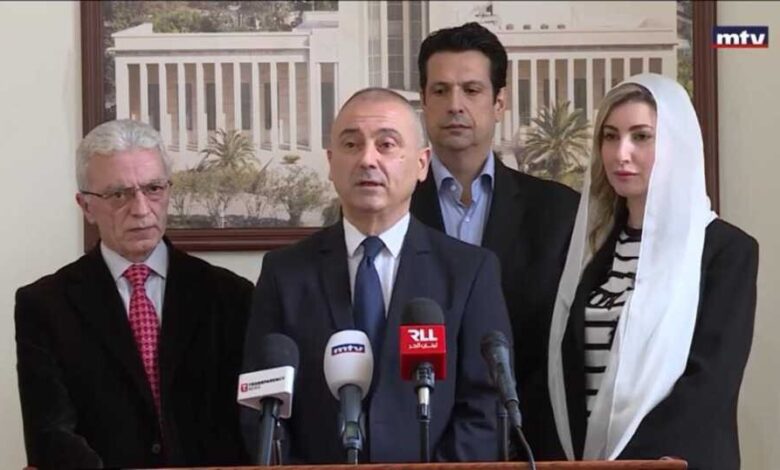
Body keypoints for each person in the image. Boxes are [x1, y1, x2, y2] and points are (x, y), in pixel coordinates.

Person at [242, 88, 513, 464]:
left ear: (422, 164)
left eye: (386, 144)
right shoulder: (284, 273)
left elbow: (485, 410)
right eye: (351, 145)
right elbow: (261, 409)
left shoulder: (469, 272)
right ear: (331, 162)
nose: (367, 159)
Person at [547, 73, 758, 469]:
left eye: (641, 136)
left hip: (678, 460)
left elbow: (710, 384)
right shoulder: (590, 252)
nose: (621, 153)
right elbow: (572, 373)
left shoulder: (726, 251)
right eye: (610, 137)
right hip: (589, 461)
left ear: (675, 145)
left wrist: (627, 463)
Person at [15, 119, 253, 469]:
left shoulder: (232, 296)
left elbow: (250, 426)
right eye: (118, 195)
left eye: (153, 188)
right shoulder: (44, 305)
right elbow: (50, 434)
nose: (141, 209)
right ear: (86, 206)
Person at [410, 21, 579, 455]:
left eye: (471, 90)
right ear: (423, 101)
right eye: (440, 91)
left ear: (499, 102)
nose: (455, 105)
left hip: (532, 440)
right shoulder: (393, 209)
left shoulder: (558, 212)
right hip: (421, 439)